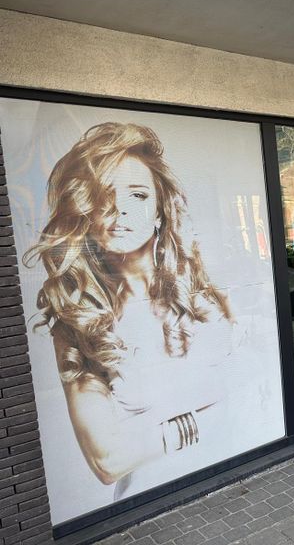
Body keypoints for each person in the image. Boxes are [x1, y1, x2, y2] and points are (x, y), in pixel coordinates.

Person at [24, 122, 234, 499]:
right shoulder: (78, 323)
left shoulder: (203, 292)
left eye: (137, 194)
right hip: (155, 500)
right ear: (85, 212)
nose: (119, 209)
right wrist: (214, 409)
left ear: (159, 211)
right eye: (102, 194)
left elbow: (260, 380)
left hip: (236, 473)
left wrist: (145, 429)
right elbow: (108, 459)